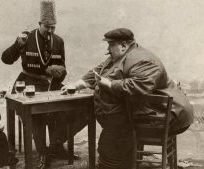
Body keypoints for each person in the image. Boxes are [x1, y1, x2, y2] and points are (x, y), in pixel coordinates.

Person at [62, 28, 194, 169]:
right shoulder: (118, 57)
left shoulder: (144, 60)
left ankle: (115, 162)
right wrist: (77, 85)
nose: (108, 49)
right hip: (145, 110)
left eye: (111, 45)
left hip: (166, 114)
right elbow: (98, 71)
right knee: (114, 133)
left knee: (112, 139)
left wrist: (110, 84)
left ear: (123, 45)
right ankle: (121, 159)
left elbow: (139, 86)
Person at [1, 0, 86, 168]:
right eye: (47, 26)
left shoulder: (59, 41)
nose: (50, 31)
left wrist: (59, 72)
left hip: (51, 86)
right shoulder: (26, 38)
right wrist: (17, 45)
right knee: (36, 115)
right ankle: (42, 153)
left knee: (70, 112)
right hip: (27, 85)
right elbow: (6, 59)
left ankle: (56, 145)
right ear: (39, 24)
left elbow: (63, 70)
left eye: (53, 27)